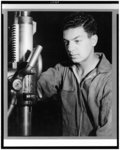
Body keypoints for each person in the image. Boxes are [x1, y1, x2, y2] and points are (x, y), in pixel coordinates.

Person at [37, 12, 112, 136]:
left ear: (93, 40)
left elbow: (108, 137)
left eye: (77, 41)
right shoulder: (62, 70)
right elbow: (36, 88)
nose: (70, 48)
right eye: (67, 42)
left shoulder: (111, 80)